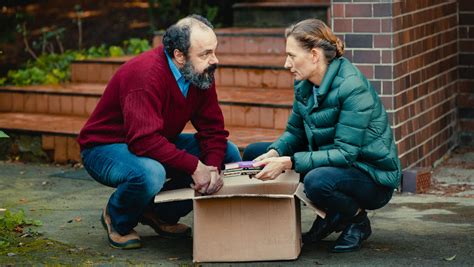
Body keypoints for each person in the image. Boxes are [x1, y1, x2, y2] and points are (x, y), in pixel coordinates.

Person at [78, 14, 242, 249]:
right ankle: (117, 216)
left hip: (152, 140)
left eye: (214, 51)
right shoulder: (145, 75)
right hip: (104, 147)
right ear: (179, 55)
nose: (214, 60)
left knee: (228, 154)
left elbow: (213, 130)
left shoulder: (199, 72)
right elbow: (143, 141)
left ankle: (158, 213)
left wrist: (212, 168)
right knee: (150, 173)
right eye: (205, 53)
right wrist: (195, 167)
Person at [243, 19, 401, 253]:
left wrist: (289, 162)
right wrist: (275, 152)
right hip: (333, 165)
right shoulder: (305, 84)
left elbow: (346, 154)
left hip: (370, 176)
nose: (287, 64)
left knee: (316, 181)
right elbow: (295, 132)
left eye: (292, 56)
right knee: (256, 153)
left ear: (314, 55)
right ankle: (332, 215)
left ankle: (357, 220)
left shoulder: (352, 87)